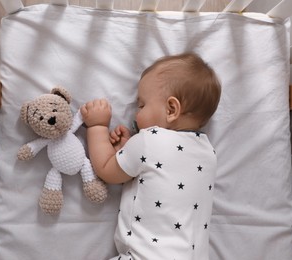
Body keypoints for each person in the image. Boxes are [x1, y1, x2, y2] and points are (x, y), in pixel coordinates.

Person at [81, 52, 221, 260]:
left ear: (171, 109)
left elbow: (106, 169)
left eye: (142, 105)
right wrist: (128, 149)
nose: (137, 114)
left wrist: (98, 126)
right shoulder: (208, 153)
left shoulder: (148, 140)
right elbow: (161, 171)